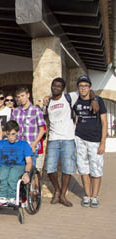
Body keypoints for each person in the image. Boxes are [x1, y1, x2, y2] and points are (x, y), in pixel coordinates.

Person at [44, 78, 79, 207]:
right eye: (54, 85)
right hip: (53, 138)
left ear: (63, 88)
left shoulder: (69, 97)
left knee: (68, 168)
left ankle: (63, 195)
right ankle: (57, 190)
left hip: (68, 138)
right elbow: (44, 117)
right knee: (50, 168)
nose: (55, 88)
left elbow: (87, 91)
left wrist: (94, 100)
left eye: (59, 86)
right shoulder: (48, 103)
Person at [73, 75, 107, 208]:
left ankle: (95, 196)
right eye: (81, 86)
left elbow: (104, 122)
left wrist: (103, 142)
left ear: (90, 87)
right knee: (83, 168)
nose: (83, 88)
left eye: (85, 86)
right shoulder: (76, 101)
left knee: (96, 168)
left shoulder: (98, 101)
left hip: (95, 140)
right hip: (80, 138)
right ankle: (87, 195)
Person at [0, 120, 33, 205]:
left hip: (18, 166)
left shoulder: (24, 144)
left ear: (17, 132)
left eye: (13, 134)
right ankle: (2, 197)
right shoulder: (1, 143)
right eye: (8, 134)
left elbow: (29, 162)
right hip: (4, 166)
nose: (10, 137)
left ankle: (12, 197)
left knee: (13, 176)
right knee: (3, 175)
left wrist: (26, 173)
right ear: (5, 133)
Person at [11, 87, 46, 166]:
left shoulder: (36, 110)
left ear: (28, 95)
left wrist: (34, 144)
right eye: (18, 97)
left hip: (30, 146)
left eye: (22, 96)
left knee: (30, 173)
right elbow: (12, 129)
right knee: (18, 173)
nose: (21, 98)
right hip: (18, 147)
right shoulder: (15, 111)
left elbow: (42, 130)